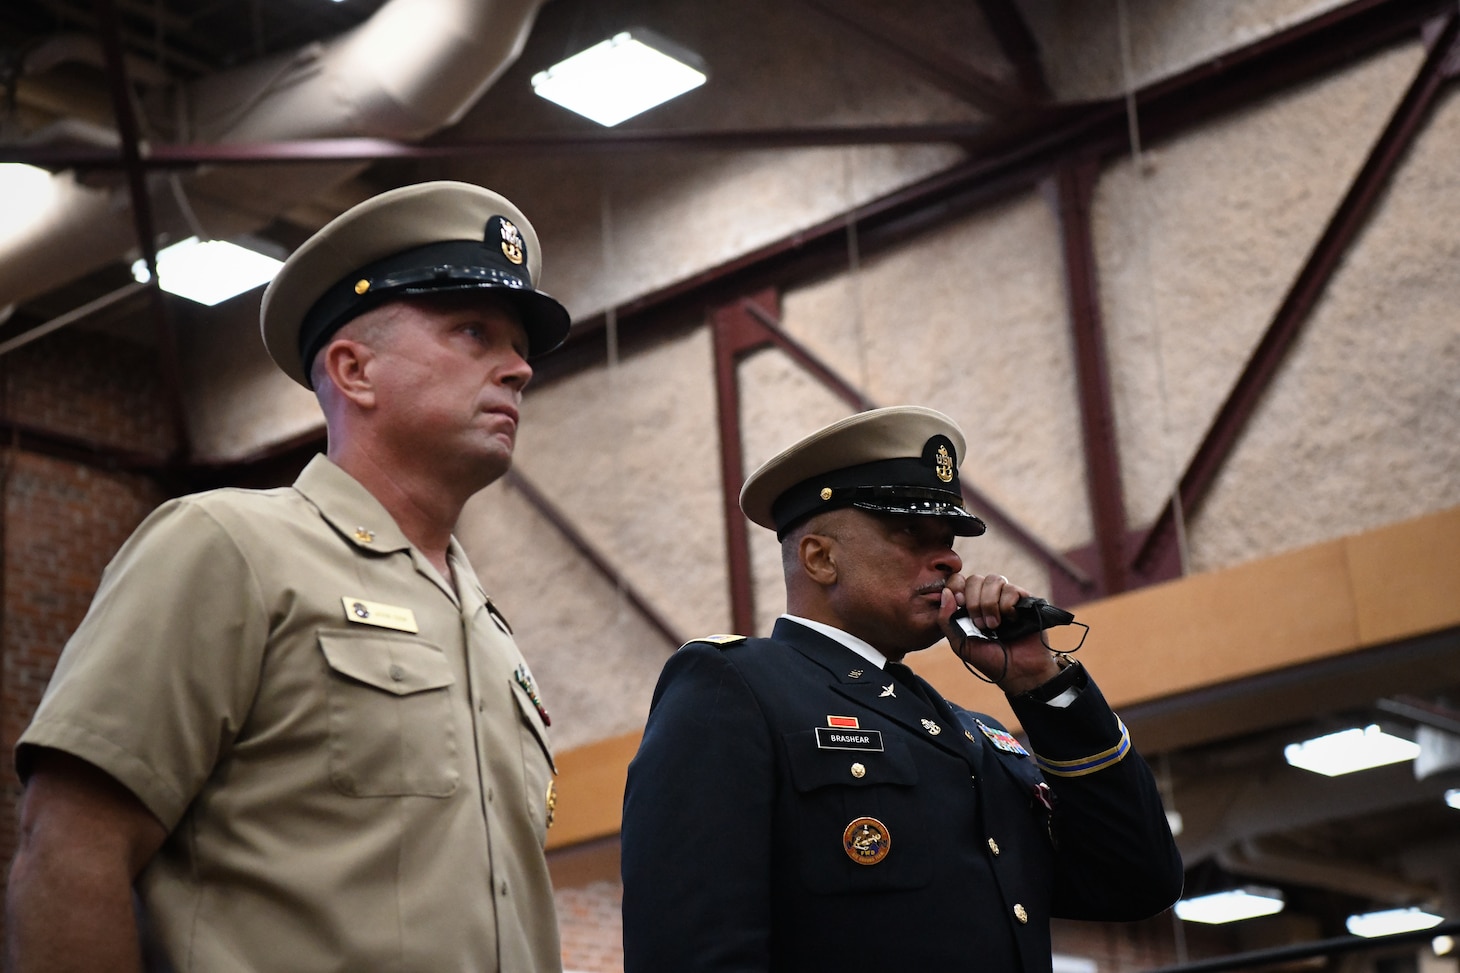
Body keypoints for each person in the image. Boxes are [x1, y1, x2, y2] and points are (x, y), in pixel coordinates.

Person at [6, 181, 572, 972]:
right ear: (354, 369)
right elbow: (69, 851)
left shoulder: (490, 631)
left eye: (517, 346)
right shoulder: (227, 547)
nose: (517, 369)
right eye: (473, 332)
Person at [620, 405, 1184, 972]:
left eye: (949, 537)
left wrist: (1042, 682)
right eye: (910, 532)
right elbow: (692, 952)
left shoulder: (978, 735)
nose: (951, 558)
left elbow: (1137, 881)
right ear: (820, 558)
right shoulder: (737, 686)